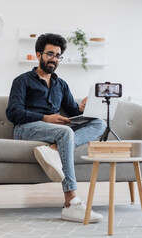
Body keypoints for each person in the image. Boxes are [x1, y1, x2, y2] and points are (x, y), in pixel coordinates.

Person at [6, 33, 106, 223]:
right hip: (26, 129)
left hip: (56, 133)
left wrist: (83, 108)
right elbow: (13, 113)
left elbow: (73, 111)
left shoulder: (61, 84)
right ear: (38, 55)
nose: (54, 59)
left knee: (100, 123)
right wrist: (46, 118)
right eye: (50, 54)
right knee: (65, 132)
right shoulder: (22, 81)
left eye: (58, 55)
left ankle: (53, 150)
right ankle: (70, 202)